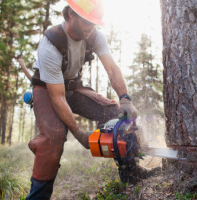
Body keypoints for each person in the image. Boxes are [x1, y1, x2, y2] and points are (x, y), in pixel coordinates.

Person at [25, 0, 138, 199]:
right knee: (54, 138)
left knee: (116, 113)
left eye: (94, 23)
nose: (91, 27)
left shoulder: (94, 36)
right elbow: (58, 98)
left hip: (72, 85)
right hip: (46, 88)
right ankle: (37, 196)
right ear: (70, 14)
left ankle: (131, 174)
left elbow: (111, 69)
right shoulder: (50, 44)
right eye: (87, 21)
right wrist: (78, 133)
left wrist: (125, 99)